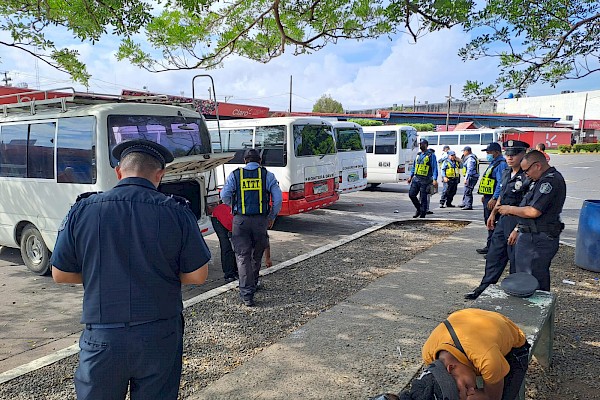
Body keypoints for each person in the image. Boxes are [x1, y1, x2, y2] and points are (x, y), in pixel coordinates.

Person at [50, 139, 211, 400]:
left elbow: (60, 273)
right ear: (160, 175)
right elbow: (198, 275)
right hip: (159, 333)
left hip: (102, 336)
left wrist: (100, 274)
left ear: (118, 172)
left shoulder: (83, 210)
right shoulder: (177, 212)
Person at [465, 140, 531, 300]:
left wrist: (518, 228)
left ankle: (516, 294)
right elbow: (503, 194)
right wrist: (493, 213)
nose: (510, 157)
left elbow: (528, 203)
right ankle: (483, 289)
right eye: (508, 154)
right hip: (503, 219)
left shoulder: (527, 176)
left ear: (523, 155)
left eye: (514, 154)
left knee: (516, 260)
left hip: (518, 221)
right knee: (494, 256)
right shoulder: (507, 172)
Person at [420, 308, 530, 400]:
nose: (472, 391)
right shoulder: (428, 353)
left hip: (513, 345)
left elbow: (493, 397)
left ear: (451, 368)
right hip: (469, 320)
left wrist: (483, 395)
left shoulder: (488, 360)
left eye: (467, 387)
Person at [220, 148, 282, 307]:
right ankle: (252, 284)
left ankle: (247, 294)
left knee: (242, 257)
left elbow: (224, 196)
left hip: (240, 221)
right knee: (256, 255)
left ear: (245, 161)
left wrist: (234, 207)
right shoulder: (267, 175)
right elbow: (278, 199)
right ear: (259, 161)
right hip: (260, 221)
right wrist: (271, 217)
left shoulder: (235, 175)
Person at [497, 150, 566, 291]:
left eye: (527, 170)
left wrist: (509, 209)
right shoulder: (538, 180)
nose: (525, 174)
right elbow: (525, 207)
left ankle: (537, 310)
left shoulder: (549, 181)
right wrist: (518, 228)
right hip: (529, 234)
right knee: (523, 276)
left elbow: (533, 211)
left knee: (534, 278)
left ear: (537, 166)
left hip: (539, 238)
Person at [476, 143, 508, 255]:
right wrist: (485, 195)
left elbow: (501, 183)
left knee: (493, 224)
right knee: (489, 223)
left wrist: (494, 197)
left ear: (497, 152)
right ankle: (490, 247)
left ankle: (494, 250)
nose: (487, 154)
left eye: (489, 152)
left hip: (493, 199)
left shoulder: (501, 164)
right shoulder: (494, 163)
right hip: (488, 197)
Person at [408, 138, 438, 218]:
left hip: (426, 179)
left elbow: (434, 167)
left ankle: (422, 214)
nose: (421, 145)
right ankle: (419, 209)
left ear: (426, 145)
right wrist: (411, 176)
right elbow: (414, 166)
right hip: (416, 178)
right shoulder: (418, 155)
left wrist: (435, 179)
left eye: (423, 144)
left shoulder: (431, 155)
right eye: (420, 144)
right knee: (411, 194)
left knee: (423, 198)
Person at [211, 203, 239, 283]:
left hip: (228, 218)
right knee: (226, 246)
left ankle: (235, 270)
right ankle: (229, 274)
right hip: (219, 219)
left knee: (235, 247)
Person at [459, 146, 479, 211]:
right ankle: (464, 203)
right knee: (466, 190)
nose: (463, 153)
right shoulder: (471, 157)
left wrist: (466, 178)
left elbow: (470, 169)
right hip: (470, 176)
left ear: (467, 151)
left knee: (468, 191)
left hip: (471, 177)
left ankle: (468, 205)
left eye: (464, 151)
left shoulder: (470, 159)